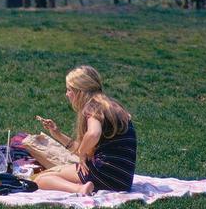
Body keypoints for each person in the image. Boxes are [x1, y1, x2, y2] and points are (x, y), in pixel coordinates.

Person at [34, 65, 137, 195]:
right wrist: (57, 134)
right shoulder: (113, 106)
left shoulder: (93, 107)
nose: (67, 94)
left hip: (104, 174)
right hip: (122, 180)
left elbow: (93, 134)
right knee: (54, 172)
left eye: (69, 90)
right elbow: (89, 149)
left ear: (80, 92)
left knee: (42, 179)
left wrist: (82, 153)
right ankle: (83, 185)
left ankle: (80, 189)